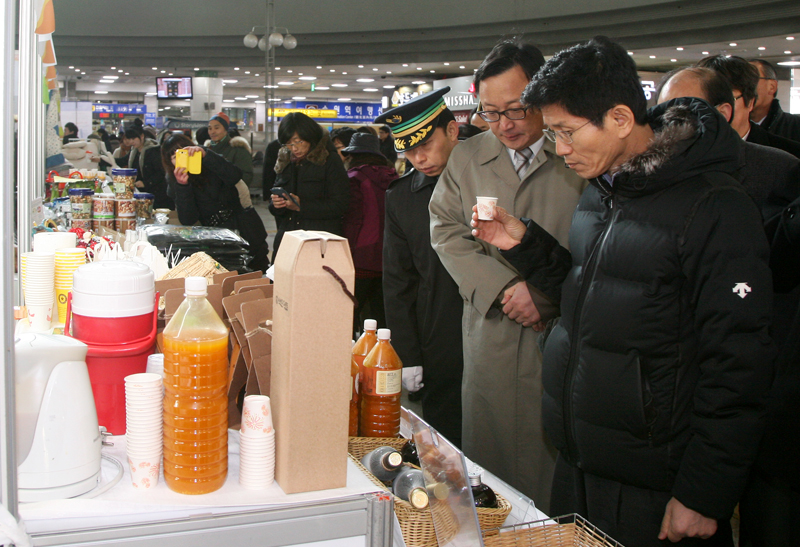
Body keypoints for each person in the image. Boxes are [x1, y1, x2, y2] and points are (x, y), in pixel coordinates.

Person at [483, 35, 774, 546]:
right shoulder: (603, 190)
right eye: (553, 134)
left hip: (655, 487)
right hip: (581, 465)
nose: (561, 150)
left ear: (620, 118)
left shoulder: (714, 207)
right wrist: (525, 245)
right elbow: (593, 297)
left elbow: (739, 362)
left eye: (569, 133)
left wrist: (704, 493)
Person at [428, 39, 587, 512]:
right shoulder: (467, 157)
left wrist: (545, 292)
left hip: (560, 331)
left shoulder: (578, 158)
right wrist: (502, 288)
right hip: (492, 329)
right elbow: (446, 231)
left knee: (552, 458)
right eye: (491, 112)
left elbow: (598, 244)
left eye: (517, 109)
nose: (505, 124)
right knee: (490, 459)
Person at [375, 87, 465, 447]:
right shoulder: (402, 198)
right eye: (409, 150)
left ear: (453, 131)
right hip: (439, 337)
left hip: (498, 331)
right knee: (445, 444)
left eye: (425, 145)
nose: (419, 158)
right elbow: (398, 281)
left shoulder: (488, 175)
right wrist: (408, 354)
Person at [657, 66, 800, 213]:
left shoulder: (780, 168)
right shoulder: (650, 170)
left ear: (723, 113)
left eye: (680, 112)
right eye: (660, 112)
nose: (667, 123)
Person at [160, 133, 270, 272]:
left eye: (185, 151)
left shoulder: (210, 161)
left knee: (260, 271)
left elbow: (235, 175)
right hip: (217, 239)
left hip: (244, 226)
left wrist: (207, 154)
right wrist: (183, 186)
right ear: (170, 162)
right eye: (176, 157)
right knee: (230, 280)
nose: (183, 158)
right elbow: (188, 218)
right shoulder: (175, 183)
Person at [268, 112, 350, 260]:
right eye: (289, 143)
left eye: (298, 142)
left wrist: (301, 206)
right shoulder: (285, 160)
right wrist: (276, 204)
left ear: (310, 137)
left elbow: (341, 204)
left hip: (318, 243)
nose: (294, 149)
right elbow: (274, 202)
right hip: (288, 240)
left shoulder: (329, 160)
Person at [340, 132, 397, 336]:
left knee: (350, 312)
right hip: (388, 257)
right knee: (381, 314)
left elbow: (353, 220)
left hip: (361, 256)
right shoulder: (393, 176)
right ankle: (381, 357)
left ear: (353, 156)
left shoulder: (354, 178)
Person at [696, 55, 800, 158]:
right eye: (702, 100)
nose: (714, 109)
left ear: (750, 102)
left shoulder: (788, 157)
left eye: (726, 100)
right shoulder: (684, 151)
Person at [749, 59, 800, 142]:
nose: (743, 87)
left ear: (772, 86)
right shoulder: (727, 128)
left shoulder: (795, 127)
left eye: (751, 80)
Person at [123, 126, 174, 210]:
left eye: (134, 138)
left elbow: (161, 173)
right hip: (142, 194)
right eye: (129, 139)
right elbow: (123, 161)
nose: (131, 142)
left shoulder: (154, 151)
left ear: (142, 136)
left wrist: (146, 183)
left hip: (158, 196)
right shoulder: (134, 152)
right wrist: (101, 158)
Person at [207, 112, 254, 187]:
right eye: (210, 128)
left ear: (225, 129)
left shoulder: (238, 149)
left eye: (216, 128)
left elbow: (246, 176)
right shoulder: (207, 150)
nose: (212, 132)